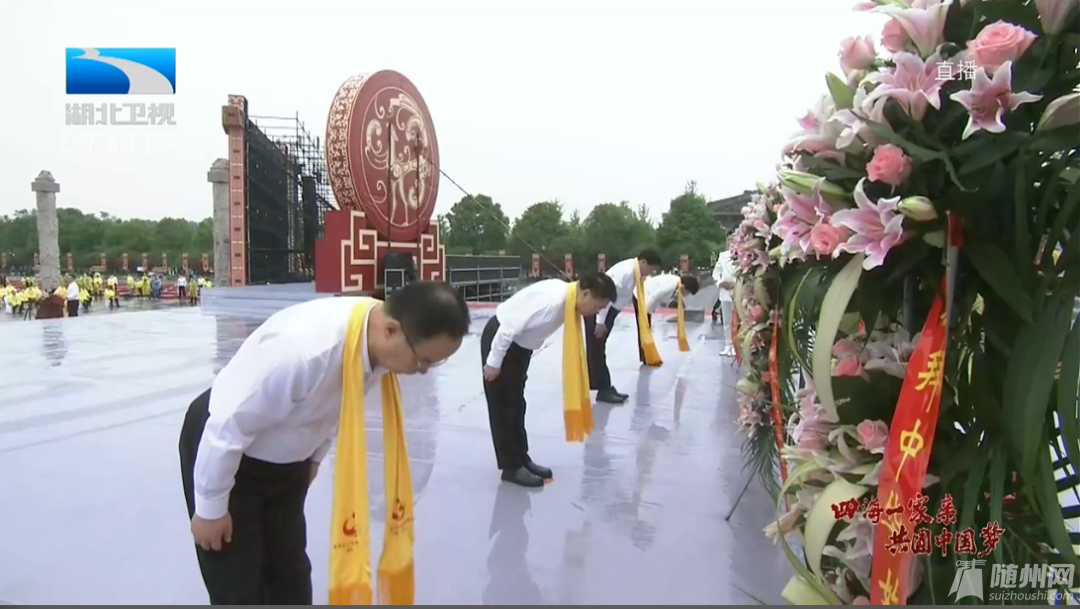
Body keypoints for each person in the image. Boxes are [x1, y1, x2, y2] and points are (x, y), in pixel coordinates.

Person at [178, 281, 470, 605]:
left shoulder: (370, 340)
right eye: (424, 361)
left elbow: (337, 405)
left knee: (290, 571)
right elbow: (227, 427)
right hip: (227, 452)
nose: (423, 371)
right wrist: (210, 508)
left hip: (287, 461)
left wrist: (313, 459)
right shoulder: (301, 352)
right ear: (391, 330)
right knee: (238, 581)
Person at [480, 271, 617, 487]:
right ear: (587, 294)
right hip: (502, 341)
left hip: (521, 346)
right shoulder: (552, 301)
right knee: (503, 406)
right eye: (597, 307)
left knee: (516, 404)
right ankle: (511, 467)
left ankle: (522, 458)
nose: (596, 312)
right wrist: (494, 363)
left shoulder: (570, 298)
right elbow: (508, 328)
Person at [584, 248, 663, 404]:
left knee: (599, 349)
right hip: (598, 309)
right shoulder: (625, 272)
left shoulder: (634, 272)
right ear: (643, 262)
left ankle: (603, 386)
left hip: (608, 311)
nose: (649, 273)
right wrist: (600, 321)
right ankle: (603, 389)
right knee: (597, 350)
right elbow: (603, 294)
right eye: (650, 269)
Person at [639, 273, 700, 363]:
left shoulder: (677, 283)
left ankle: (647, 356)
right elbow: (654, 297)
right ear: (684, 286)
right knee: (644, 330)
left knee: (646, 331)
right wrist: (646, 315)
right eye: (687, 292)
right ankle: (646, 357)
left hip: (646, 296)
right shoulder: (670, 286)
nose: (686, 295)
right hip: (641, 296)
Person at [712, 249, 737, 356]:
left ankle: (736, 346)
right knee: (727, 321)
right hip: (724, 292)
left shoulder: (742, 253)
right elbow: (716, 272)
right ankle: (728, 345)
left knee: (737, 320)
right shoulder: (723, 255)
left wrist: (734, 284)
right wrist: (719, 282)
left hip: (737, 290)